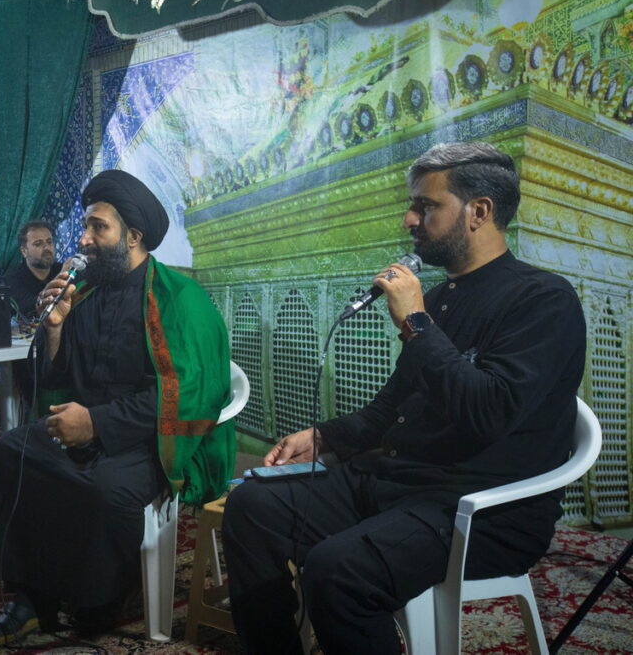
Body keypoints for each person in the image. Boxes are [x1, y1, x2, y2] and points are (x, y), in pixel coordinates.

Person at [221, 142, 587, 654]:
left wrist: (416, 323)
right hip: (401, 485)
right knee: (253, 505)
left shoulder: (543, 299)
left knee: (337, 571)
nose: (409, 219)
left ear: (479, 211)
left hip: (479, 511)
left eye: (426, 206)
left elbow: (488, 413)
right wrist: (325, 436)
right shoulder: (439, 299)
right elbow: (388, 409)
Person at [0, 169, 235, 647]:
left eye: (98, 227)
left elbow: (186, 394)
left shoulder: (181, 299)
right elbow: (58, 377)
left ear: (133, 236)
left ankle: (104, 596)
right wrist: (54, 328)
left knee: (106, 487)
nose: (84, 238)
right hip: (86, 424)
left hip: (150, 438)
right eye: (86, 226)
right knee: (13, 450)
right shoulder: (87, 294)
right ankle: (31, 599)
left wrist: (95, 423)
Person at [4, 220, 63, 321]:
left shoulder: (62, 270)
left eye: (49, 242)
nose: (47, 248)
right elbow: (27, 306)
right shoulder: (13, 278)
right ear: (24, 251)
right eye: (38, 244)